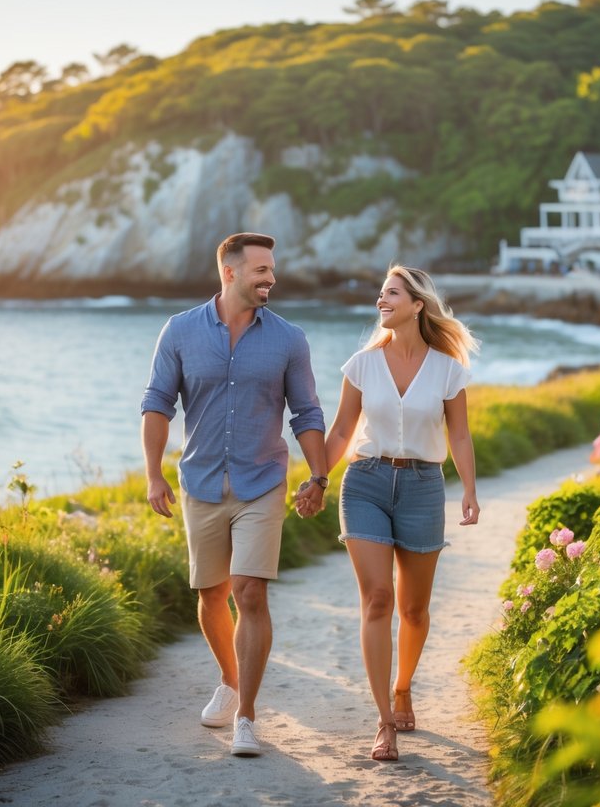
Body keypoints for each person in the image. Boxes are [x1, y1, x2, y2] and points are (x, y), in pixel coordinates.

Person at [141, 232, 328, 758]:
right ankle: (230, 679)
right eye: (261, 270)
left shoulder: (289, 339)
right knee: (211, 595)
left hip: (261, 481)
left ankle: (246, 715)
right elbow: (157, 403)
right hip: (200, 481)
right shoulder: (179, 331)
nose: (271, 278)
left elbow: (307, 413)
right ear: (230, 272)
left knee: (249, 591)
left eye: (272, 269)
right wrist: (154, 474)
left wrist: (318, 476)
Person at [321, 265, 480, 762]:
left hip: (423, 487)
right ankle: (383, 722)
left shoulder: (449, 370)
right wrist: (316, 478)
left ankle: (403, 686)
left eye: (391, 294)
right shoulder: (361, 365)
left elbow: (459, 434)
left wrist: (469, 489)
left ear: (417, 305)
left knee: (413, 609)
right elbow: (343, 430)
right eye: (381, 294)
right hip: (365, 481)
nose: (380, 302)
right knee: (378, 600)